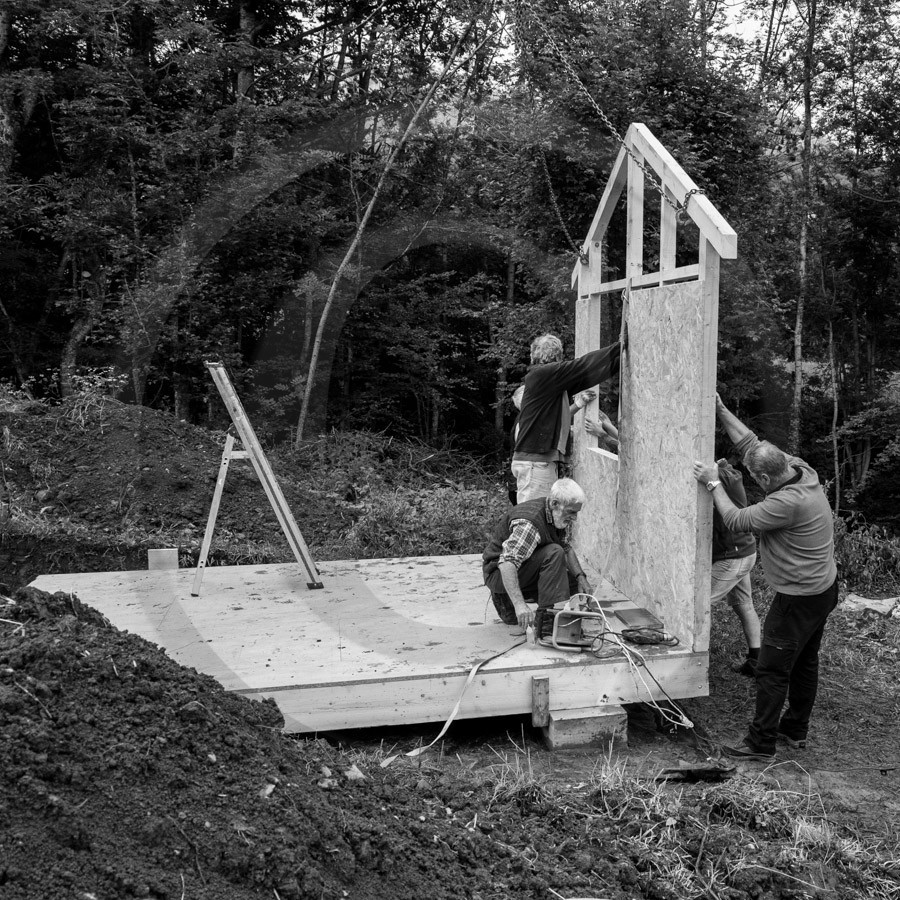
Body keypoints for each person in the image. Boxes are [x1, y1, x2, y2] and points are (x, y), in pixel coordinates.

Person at [693, 394, 838, 760]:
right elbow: (751, 443)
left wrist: (713, 484)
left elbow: (737, 519)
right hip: (823, 589)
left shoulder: (786, 504)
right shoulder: (800, 469)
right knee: (805, 660)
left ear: (763, 477)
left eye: (757, 479)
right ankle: (795, 729)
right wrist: (722, 410)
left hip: (800, 597)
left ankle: (760, 743)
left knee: (772, 669)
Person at [512, 334, 620, 502]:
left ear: (534, 354)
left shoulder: (551, 383)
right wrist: (618, 347)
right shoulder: (543, 374)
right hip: (535, 463)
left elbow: (590, 376)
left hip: (539, 463)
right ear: (558, 355)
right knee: (532, 518)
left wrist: (619, 361)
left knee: (542, 518)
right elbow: (582, 365)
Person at [483, 478, 593, 628]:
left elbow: (566, 548)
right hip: (498, 574)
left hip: (523, 567)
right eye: (571, 512)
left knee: (573, 586)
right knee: (554, 552)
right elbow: (507, 563)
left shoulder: (555, 514)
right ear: (555, 503)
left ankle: (534, 601)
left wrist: (581, 577)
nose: (574, 518)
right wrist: (520, 605)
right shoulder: (530, 523)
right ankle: (545, 618)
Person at [711, 459, 761, 677]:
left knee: (694, 607)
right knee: (744, 604)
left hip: (733, 557)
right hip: (743, 552)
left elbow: (657, 461)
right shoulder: (722, 473)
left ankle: (686, 662)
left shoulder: (720, 478)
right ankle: (756, 661)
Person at [508, 383, 595, 504]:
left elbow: (556, 421)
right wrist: (578, 404)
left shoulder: (529, 419)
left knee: (542, 512)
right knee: (535, 512)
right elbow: (557, 420)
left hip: (534, 475)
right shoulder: (528, 421)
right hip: (533, 476)